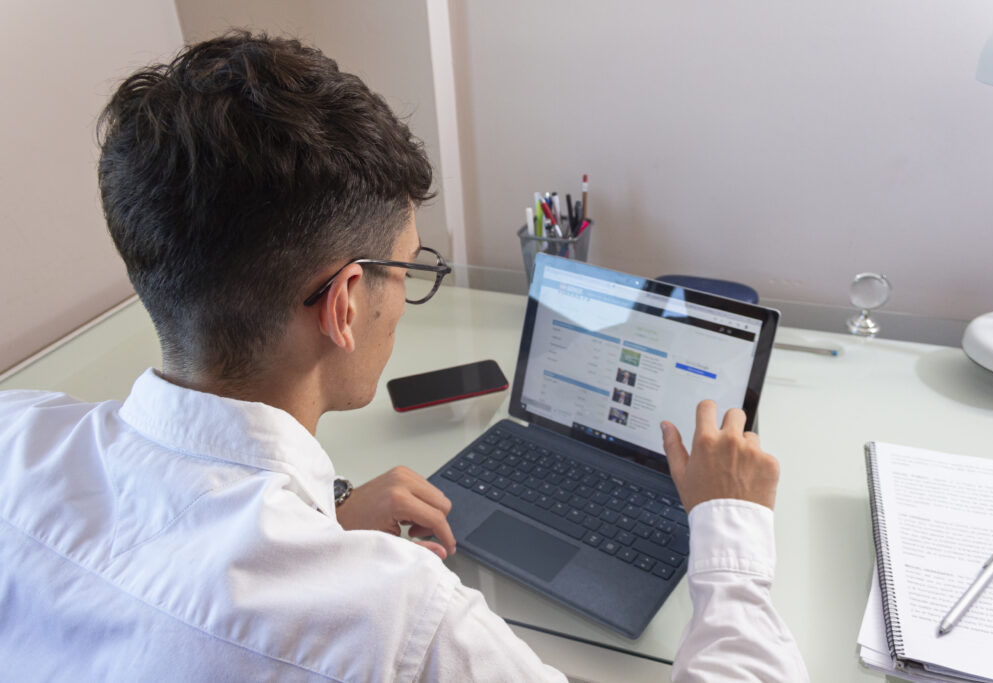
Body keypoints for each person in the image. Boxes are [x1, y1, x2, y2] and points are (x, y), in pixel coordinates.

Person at [0, 32, 808, 681]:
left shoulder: (17, 436)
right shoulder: (396, 623)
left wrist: (327, 520)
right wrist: (730, 532)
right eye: (410, 269)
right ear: (346, 303)